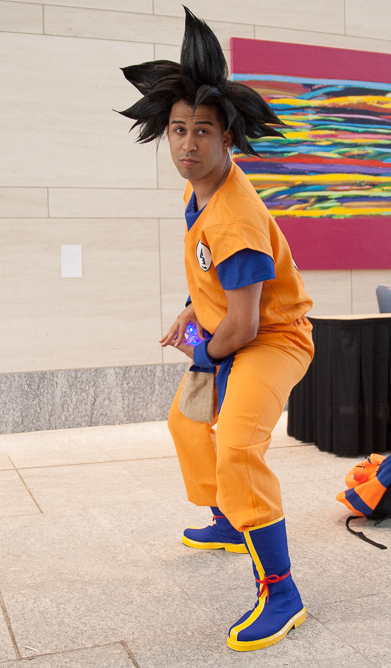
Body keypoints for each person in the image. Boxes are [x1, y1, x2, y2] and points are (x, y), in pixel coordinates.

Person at [119, 7, 314, 653]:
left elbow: (246, 321)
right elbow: (213, 277)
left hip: (274, 339)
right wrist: (189, 307)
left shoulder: (235, 218)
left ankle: (281, 592)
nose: (187, 144)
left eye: (202, 131)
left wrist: (206, 353)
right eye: (178, 130)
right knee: (186, 424)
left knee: (235, 446)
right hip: (230, 330)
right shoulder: (198, 189)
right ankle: (229, 519)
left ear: (227, 136)